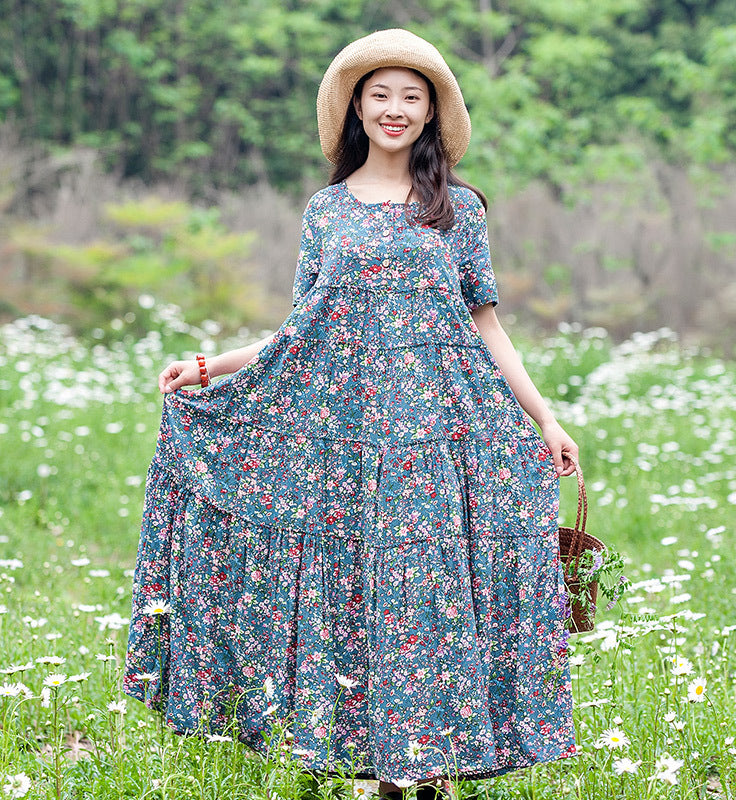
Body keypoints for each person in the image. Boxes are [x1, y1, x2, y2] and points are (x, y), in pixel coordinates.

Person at [123, 28, 580, 800]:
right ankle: (369, 765)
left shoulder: (456, 209)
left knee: (428, 595)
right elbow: (301, 328)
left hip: (438, 440)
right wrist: (212, 365)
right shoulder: (326, 212)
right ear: (357, 109)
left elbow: (486, 326)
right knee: (357, 593)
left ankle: (429, 772)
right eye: (381, 95)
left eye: (412, 97)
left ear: (431, 113)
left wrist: (545, 419)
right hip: (344, 440)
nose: (395, 110)